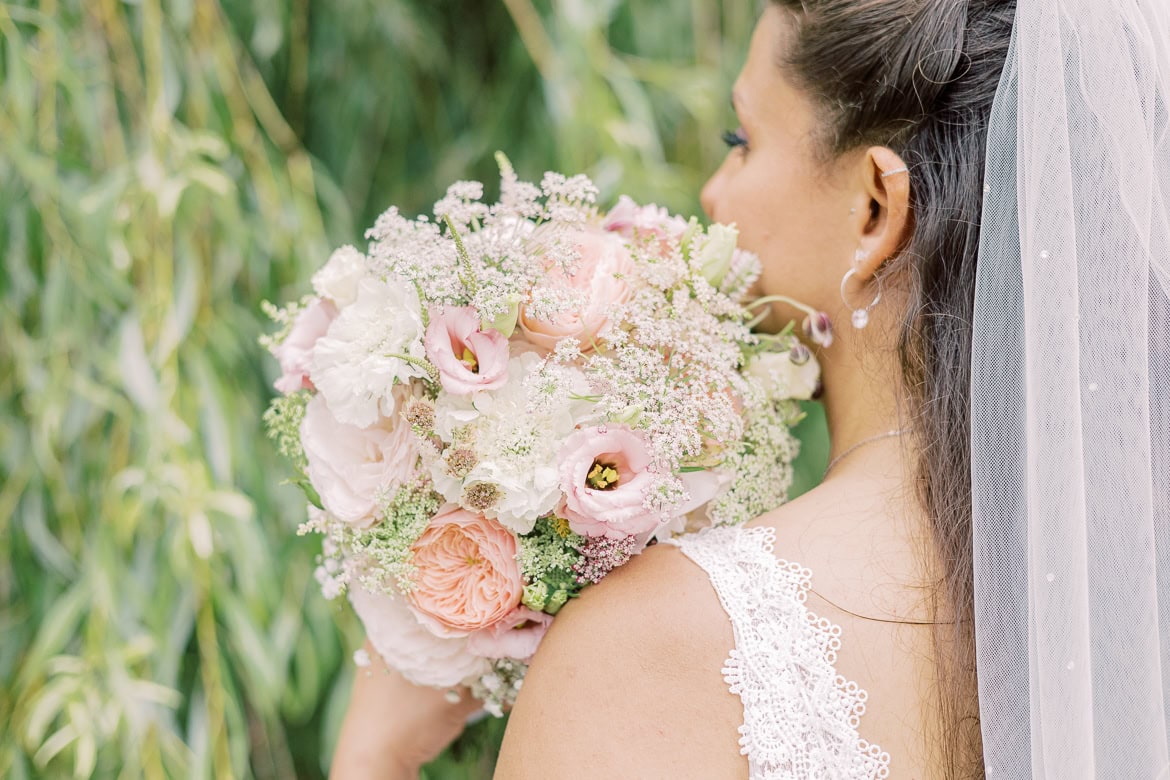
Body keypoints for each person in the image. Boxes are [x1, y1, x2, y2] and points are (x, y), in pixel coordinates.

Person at [333, 0, 1170, 777]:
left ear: (876, 207)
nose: (712, 192)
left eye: (743, 140)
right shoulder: (1128, 624)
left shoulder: (655, 647)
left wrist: (375, 752)